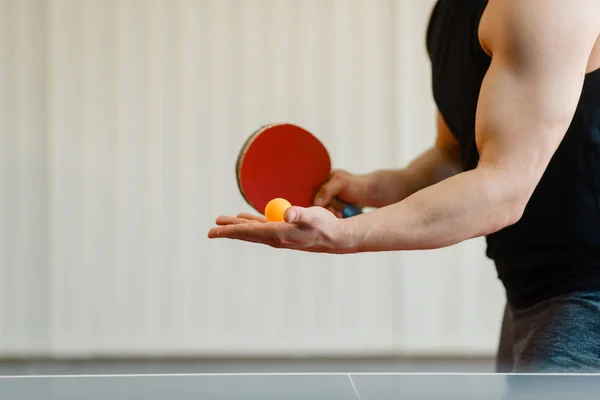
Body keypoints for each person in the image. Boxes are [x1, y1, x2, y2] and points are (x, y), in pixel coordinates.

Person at [208, 0, 600, 373]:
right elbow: (453, 155)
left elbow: (503, 190)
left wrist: (345, 235)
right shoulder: (451, 13)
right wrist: (372, 187)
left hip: (588, 296)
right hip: (531, 294)